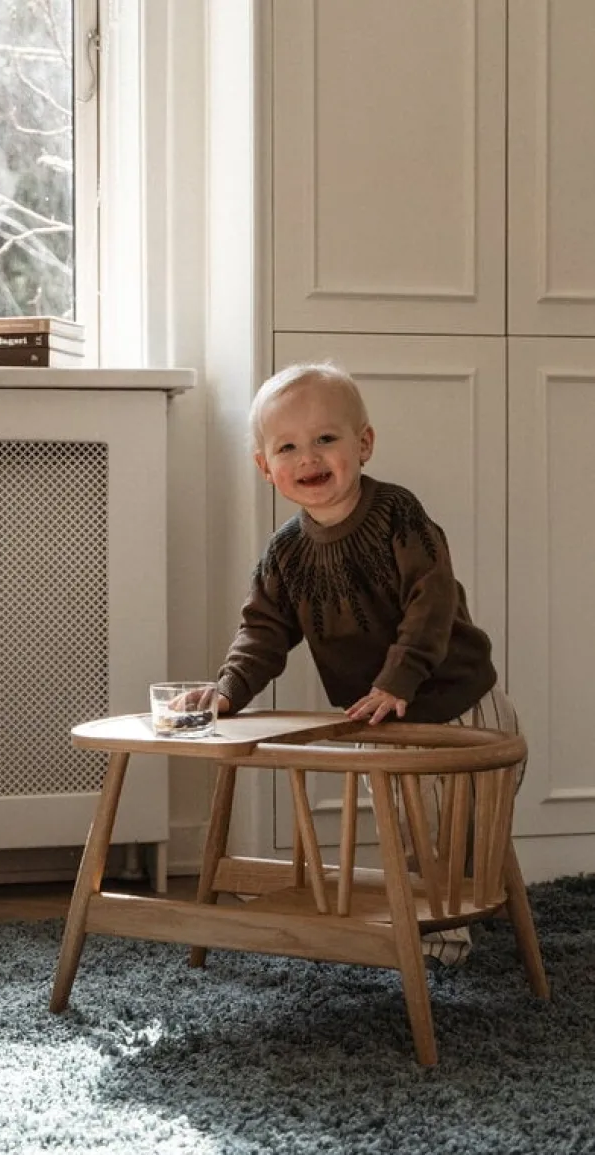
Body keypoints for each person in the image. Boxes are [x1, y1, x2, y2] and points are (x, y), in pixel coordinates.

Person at [215, 361, 524, 964]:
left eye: (326, 438)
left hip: (457, 703)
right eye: (287, 447)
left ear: (364, 444)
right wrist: (228, 690)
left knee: (452, 830)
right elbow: (263, 631)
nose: (309, 457)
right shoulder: (286, 553)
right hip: (380, 719)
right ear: (265, 467)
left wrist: (398, 679)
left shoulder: (397, 515)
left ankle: (439, 942)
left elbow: (431, 601)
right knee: (413, 832)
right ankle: (439, 914)